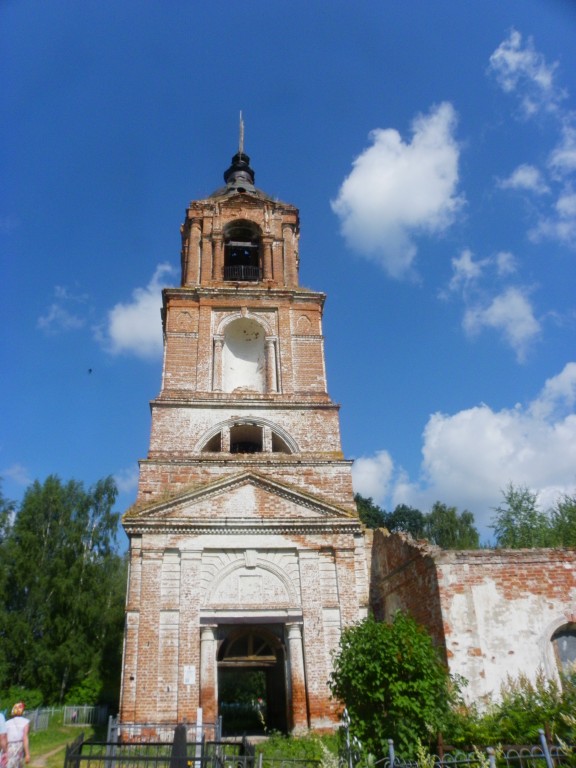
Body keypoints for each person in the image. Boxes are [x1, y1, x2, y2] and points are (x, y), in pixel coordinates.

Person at [5, 703, 29, 768]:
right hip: (19, 746)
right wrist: (27, 754)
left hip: (9, 746)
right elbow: (25, 738)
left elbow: (5, 738)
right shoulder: (25, 722)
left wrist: (5, 751)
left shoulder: (7, 723)